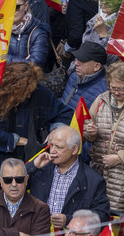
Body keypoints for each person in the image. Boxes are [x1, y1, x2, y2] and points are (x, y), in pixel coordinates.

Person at [27, 125, 111, 229]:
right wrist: (33, 166)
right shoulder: (40, 169)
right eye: (51, 145)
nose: (52, 151)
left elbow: (102, 216)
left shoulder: (94, 180)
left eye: (59, 147)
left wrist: (70, 220)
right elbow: (11, 185)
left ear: (74, 150)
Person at [83, 61, 124, 210]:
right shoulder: (101, 100)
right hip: (98, 172)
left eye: (121, 89)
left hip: (121, 180)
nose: (116, 92)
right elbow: (85, 126)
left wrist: (119, 157)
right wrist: (89, 131)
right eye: (112, 87)